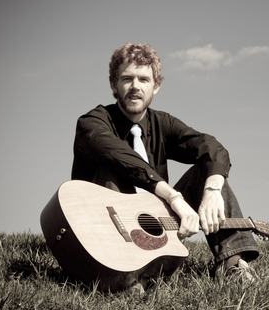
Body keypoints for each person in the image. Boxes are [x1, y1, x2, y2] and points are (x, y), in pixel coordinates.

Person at [71, 42, 259, 291]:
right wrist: (173, 197)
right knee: (113, 167)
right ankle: (122, 276)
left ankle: (233, 266)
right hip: (100, 238)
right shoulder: (93, 122)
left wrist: (212, 190)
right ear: (114, 85)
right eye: (127, 78)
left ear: (155, 86)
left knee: (208, 170)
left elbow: (212, 148)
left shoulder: (162, 124)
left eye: (143, 79)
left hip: (152, 228)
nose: (135, 86)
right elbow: (119, 155)